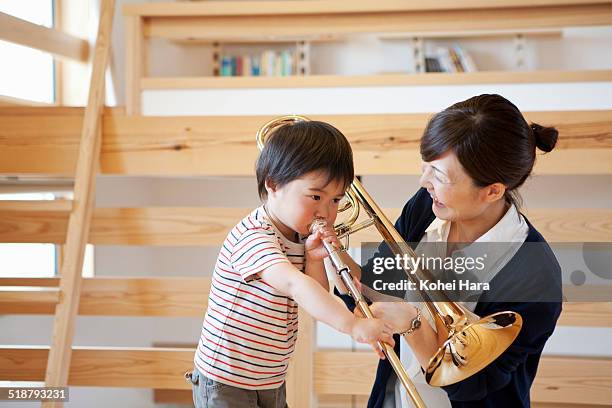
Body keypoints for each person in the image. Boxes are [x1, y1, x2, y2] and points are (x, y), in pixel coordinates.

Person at [336, 94, 563, 407]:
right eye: (426, 167)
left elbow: (471, 388)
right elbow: (376, 286)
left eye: (439, 176)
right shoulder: (428, 207)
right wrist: (331, 251)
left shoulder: (536, 275)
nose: (423, 181)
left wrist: (412, 324)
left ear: (493, 191)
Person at [189, 119, 395, 408]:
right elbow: (295, 285)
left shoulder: (300, 235)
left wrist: (313, 258)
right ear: (273, 184)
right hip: (226, 380)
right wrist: (352, 325)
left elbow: (316, 295)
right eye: (315, 196)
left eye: (336, 200)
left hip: (269, 377)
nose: (326, 211)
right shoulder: (253, 236)